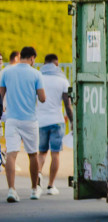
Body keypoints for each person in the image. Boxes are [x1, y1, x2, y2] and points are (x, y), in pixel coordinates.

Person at [1, 47, 46, 202]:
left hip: (11, 119)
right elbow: (42, 98)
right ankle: (34, 189)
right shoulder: (36, 74)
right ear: (32, 58)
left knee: (11, 154)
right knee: (32, 154)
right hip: (29, 120)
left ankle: (12, 190)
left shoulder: (6, 72)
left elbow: (1, 96)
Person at [36, 54, 73, 195]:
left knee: (41, 153)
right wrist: (72, 121)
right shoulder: (62, 80)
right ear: (56, 64)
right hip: (57, 121)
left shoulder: (38, 77)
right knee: (55, 154)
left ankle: (38, 177)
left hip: (40, 121)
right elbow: (67, 105)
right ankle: (51, 186)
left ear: (45, 63)